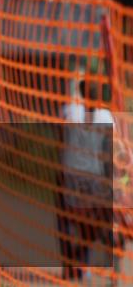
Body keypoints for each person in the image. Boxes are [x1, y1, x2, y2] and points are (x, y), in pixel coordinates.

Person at [58, 75, 115, 281]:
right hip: (95, 179)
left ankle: (70, 265)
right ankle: (80, 261)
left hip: (70, 175)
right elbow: (108, 154)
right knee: (92, 226)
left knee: (65, 220)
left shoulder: (69, 111)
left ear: (81, 93)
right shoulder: (106, 117)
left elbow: (60, 142)